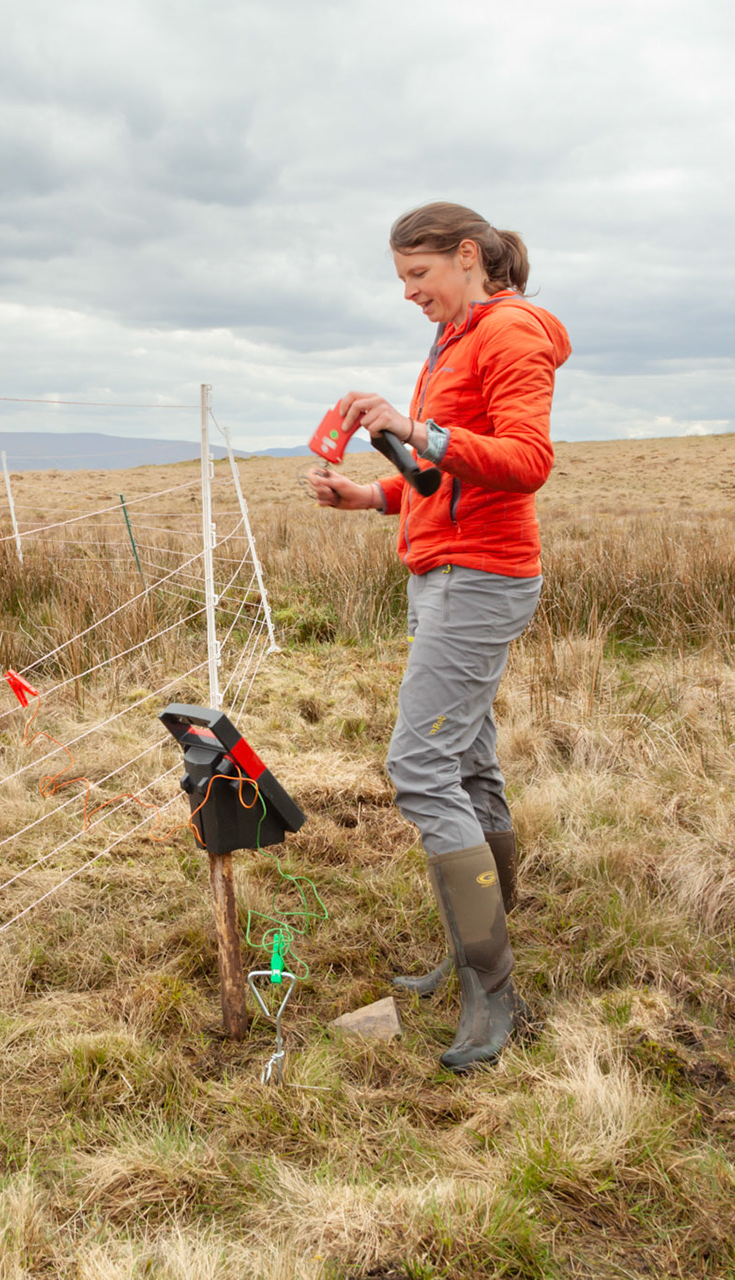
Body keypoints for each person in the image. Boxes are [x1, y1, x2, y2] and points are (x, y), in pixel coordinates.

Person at [305, 201, 571, 1071]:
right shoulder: (452, 341)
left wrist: (418, 427)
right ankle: (473, 950)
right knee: (463, 763)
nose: (410, 293)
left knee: (419, 766)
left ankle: (495, 994)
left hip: (481, 578)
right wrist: (375, 494)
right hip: (443, 568)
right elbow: (445, 475)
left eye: (418, 275)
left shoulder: (511, 334)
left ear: (467, 256)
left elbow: (526, 462)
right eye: (402, 280)